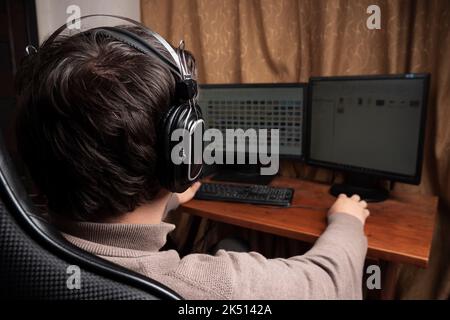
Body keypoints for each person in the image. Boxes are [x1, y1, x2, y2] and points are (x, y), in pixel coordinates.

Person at [15, 25, 369, 299]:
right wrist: (347, 222)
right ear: (182, 155)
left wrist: (170, 195)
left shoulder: (20, 254)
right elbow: (331, 282)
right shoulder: (214, 289)